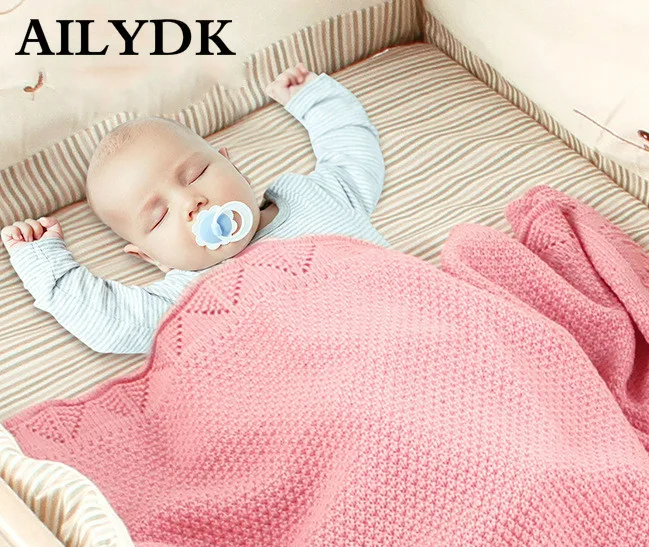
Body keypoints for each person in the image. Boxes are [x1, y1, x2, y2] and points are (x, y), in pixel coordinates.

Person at [1, 63, 388, 354]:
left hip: (401, 324)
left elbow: (352, 154)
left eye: (196, 174)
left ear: (232, 164)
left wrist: (313, 98)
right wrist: (44, 262)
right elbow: (108, 321)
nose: (190, 202)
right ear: (151, 257)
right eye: (159, 216)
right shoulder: (183, 301)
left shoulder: (312, 197)